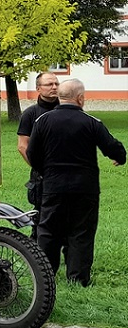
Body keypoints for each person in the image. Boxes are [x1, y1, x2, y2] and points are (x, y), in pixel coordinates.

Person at [27, 79, 125, 287]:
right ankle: (78, 278)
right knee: (82, 231)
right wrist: (120, 157)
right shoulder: (91, 122)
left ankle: (45, 275)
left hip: (53, 185)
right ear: (80, 98)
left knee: (48, 231)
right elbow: (112, 147)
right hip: (84, 187)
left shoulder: (42, 121)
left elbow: (32, 154)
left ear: (60, 96)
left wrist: (47, 171)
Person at [16, 72, 60, 239]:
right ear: (38, 88)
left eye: (56, 84)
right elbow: (22, 146)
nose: (54, 87)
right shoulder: (30, 114)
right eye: (49, 84)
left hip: (68, 176)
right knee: (42, 222)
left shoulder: (68, 110)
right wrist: (40, 168)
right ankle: (37, 251)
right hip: (42, 178)